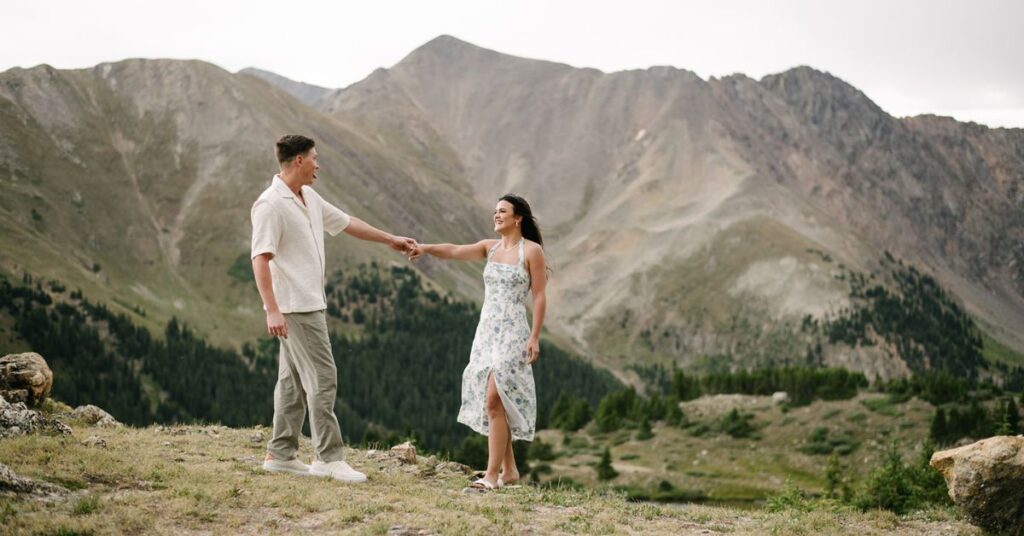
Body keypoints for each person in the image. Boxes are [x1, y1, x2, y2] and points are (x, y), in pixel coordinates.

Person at [251, 134, 417, 482]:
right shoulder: (270, 204)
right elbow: (260, 258)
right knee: (323, 379)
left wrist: (392, 240)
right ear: (298, 160)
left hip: (308, 302)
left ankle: (280, 454)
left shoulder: (308, 196)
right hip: (296, 306)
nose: (318, 164)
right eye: (314, 158)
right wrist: (272, 309)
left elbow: (347, 222)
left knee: (292, 382)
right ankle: (328, 457)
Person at [409, 194, 547, 491]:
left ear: (518, 217)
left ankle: (491, 475)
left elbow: (539, 296)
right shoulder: (491, 247)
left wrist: (534, 336)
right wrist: (425, 248)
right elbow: (456, 250)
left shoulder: (532, 251)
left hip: (513, 333)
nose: (496, 215)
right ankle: (509, 471)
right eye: (495, 211)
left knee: (494, 399)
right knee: (497, 403)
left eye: (502, 211)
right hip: (486, 332)